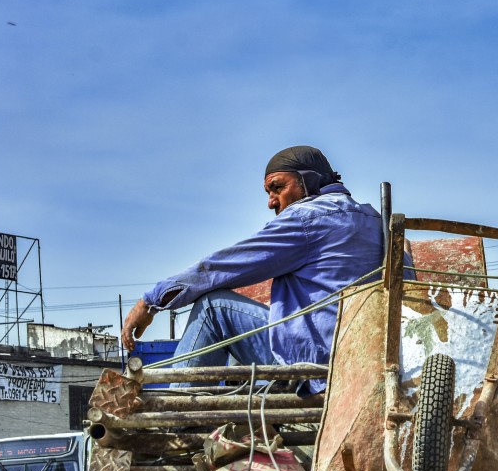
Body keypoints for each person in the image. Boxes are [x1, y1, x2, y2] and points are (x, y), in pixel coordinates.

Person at [122, 146, 386, 380]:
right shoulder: (376, 220)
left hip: (316, 364)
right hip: (367, 357)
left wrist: (151, 302)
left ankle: (173, 422)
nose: (271, 202)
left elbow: (223, 267)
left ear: (309, 181)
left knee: (214, 308)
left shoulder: (306, 219)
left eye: (278, 187)